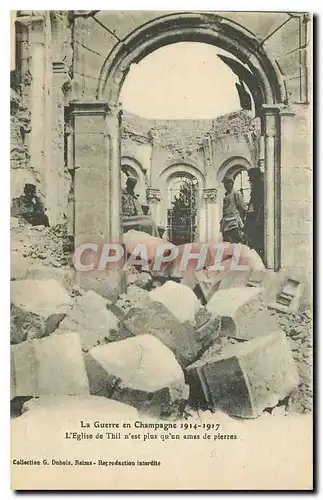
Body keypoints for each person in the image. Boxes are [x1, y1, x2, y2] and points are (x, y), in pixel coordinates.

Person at [220, 176, 247, 244]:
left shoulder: (236, 194)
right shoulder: (226, 196)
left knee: (236, 244)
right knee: (227, 245)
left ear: (232, 183)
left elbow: (243, 207)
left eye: (227, 183)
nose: (225, 186)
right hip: (225, 224)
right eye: (224, 184)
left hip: (234, 224)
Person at [245, 167, 264, 259]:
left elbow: (260, 205)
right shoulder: (256, 188)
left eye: (251, 178)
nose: (250, 180)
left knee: (257, 243)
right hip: (254, 219)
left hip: (258, 220)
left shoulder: (261, 187)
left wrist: (257, 219)